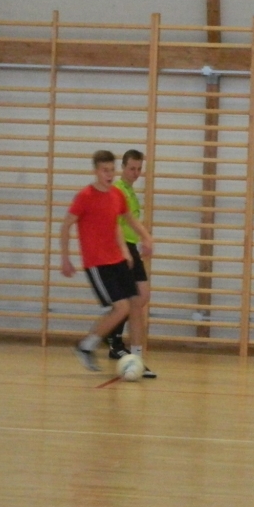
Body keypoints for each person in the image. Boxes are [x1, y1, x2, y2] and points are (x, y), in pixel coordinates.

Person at [61, 150, 154, 373]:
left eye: (112, 170)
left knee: (135, 303)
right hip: (97, 263)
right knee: (121, 308)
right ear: (96, 171)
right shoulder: (85, 196)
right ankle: (85, 346)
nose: (109, 174)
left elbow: (128, 221)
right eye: (105, 170)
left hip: (117, 259)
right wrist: (65, 258)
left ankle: (137, 359)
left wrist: (146, 238)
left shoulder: (117, 195)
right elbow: (66, 226)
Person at [105, 149, 156, 378]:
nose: (136, 173)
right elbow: (115, 223)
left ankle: (119, 342)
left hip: (131, 246)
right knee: (136, 300)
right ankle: (125, 348)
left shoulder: (130, 191)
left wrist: (143, 239)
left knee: (139, 299)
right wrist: (124, 250)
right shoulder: (118, 190)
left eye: (138, 169)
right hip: (121, 247)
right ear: (123, 168)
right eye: (131, 168)